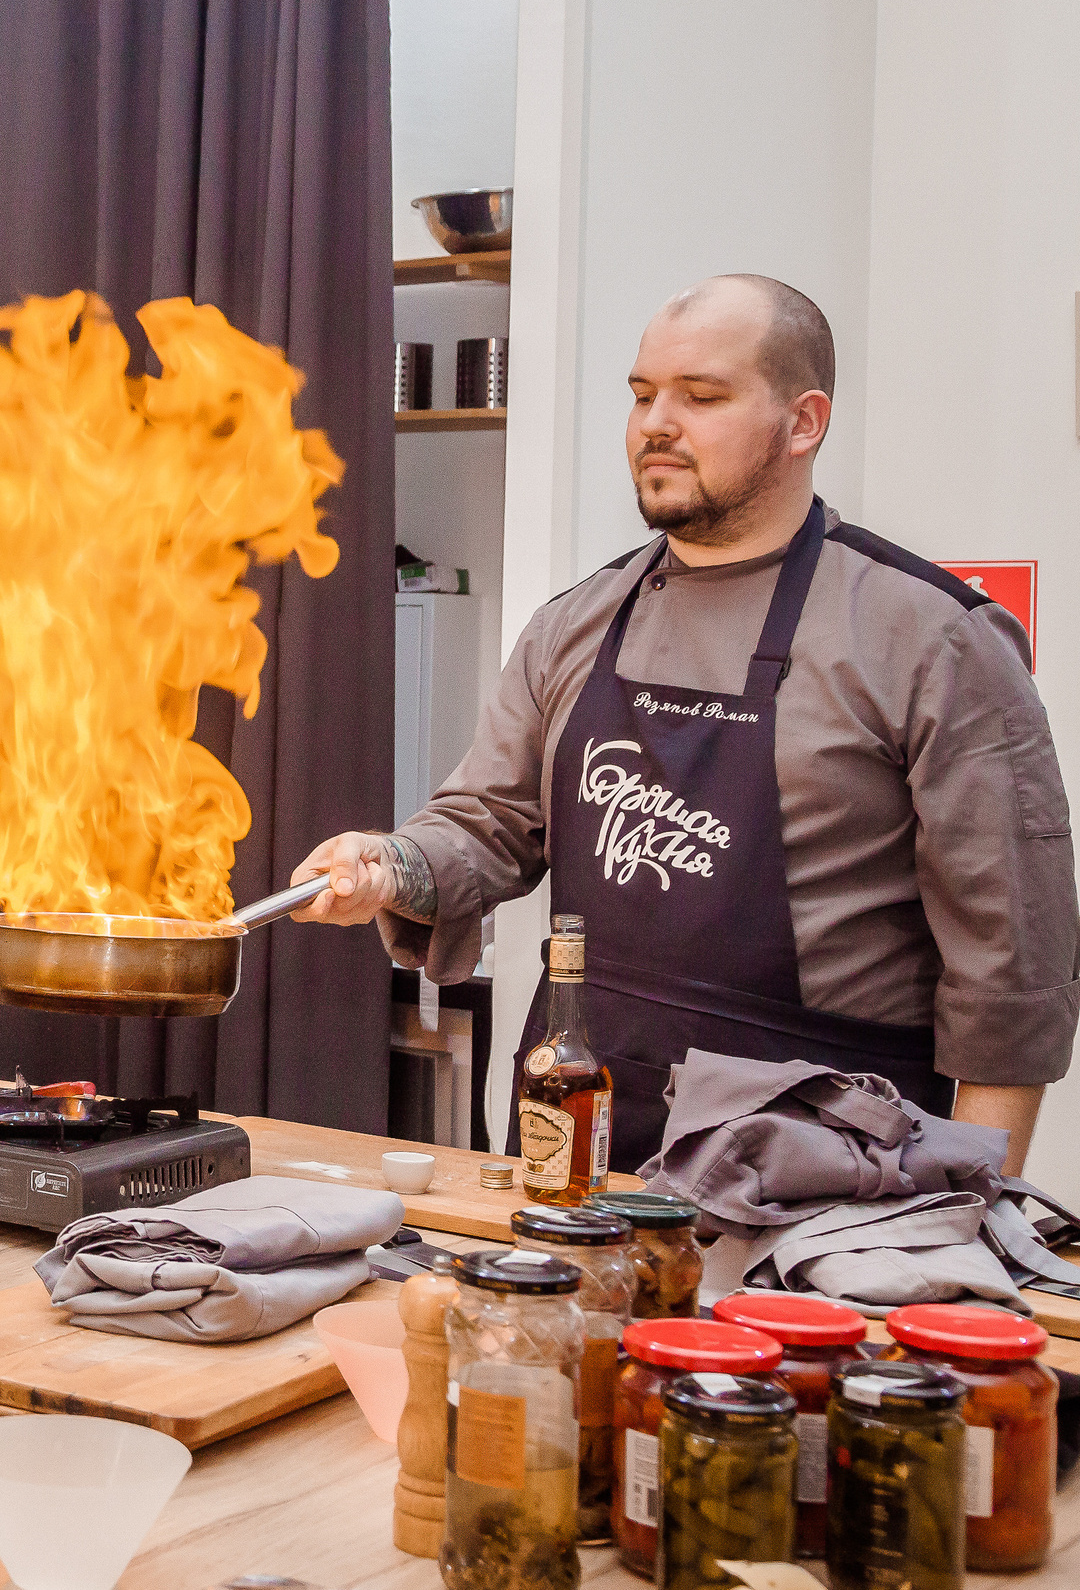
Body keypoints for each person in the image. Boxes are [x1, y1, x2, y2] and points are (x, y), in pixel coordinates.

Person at [290, 275, 1076, 1174]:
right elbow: (488, 823)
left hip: (825, 1176)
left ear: (804, 422)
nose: (655, 424)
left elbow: (1011, 972)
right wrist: (390, 864)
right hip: (582, 1143)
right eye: (642, 394)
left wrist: (968, 1210)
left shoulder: (933, 639)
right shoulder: (575, 623)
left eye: (701, 396)